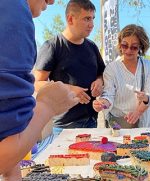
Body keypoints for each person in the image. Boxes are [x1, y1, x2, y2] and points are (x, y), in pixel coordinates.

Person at [0, 0, 79, 181]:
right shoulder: (14, 12)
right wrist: (47, 106)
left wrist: (12, 177)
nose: (52, 1)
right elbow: (2, 153)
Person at [34, 0, 105, 132]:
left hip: (91, 122)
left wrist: (99, 82)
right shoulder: (53, 46)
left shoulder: (92, 47)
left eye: (93, 19)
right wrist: (69, 89)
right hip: (63, 127)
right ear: (70, 19)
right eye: (87, 19)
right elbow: (37, 83)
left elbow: (102, 74)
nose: (92, 25)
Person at [92, 24, 150, 128]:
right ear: (119, 44)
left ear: (141, 47)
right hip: (120, 126)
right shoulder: (111, 69)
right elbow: (109, 94)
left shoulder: (148, 66)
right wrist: (101, 104)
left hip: (145, 123)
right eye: (124, 45)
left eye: (134, 47)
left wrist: (138, 113)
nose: (128, 50)